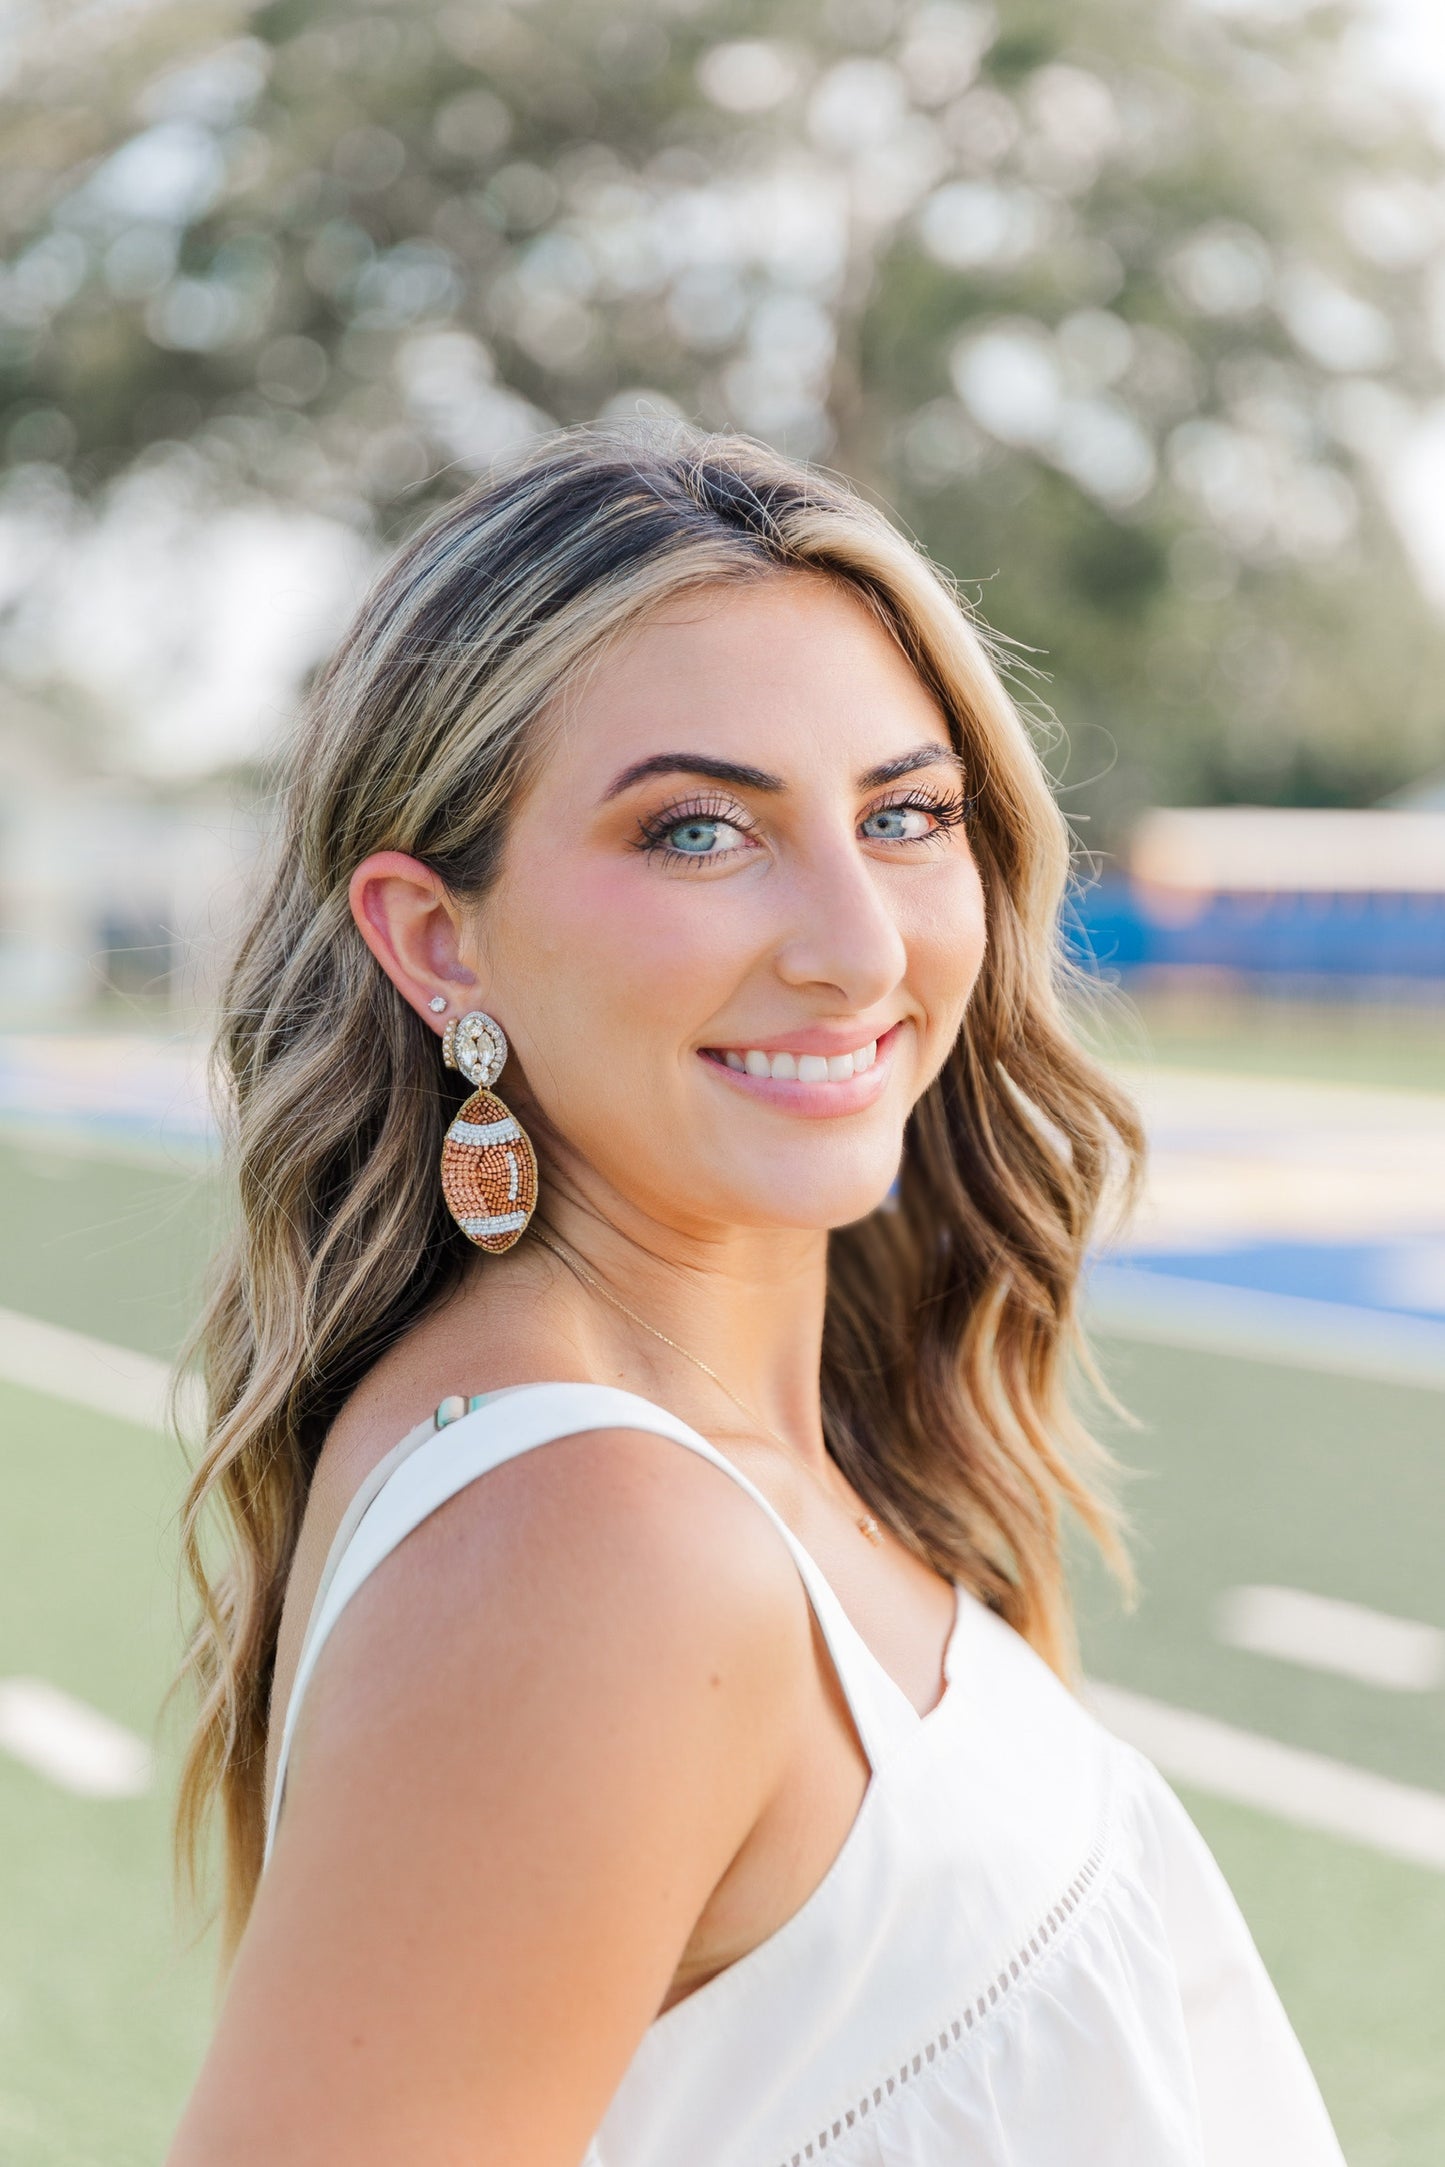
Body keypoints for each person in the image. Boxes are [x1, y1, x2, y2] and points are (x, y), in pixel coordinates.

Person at [165, 425, 1344, 2165]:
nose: (857, 946)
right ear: (435, 938)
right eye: (699, 830)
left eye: (905, 814)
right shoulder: (593, 1544)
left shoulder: (729, 1468)